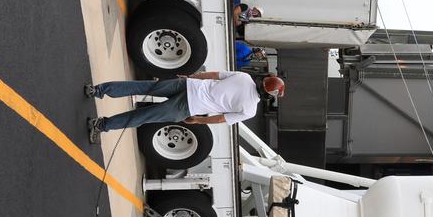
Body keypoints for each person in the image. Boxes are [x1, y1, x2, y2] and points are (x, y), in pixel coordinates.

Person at [85, 72, 285, 142]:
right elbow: (220, 119)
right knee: (143, 116)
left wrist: (190, 77)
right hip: (188, 106)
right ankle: (101, 125)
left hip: (187, 85)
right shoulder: (250, 110)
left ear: (264, 81)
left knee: (142, 86)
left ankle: (97, 90)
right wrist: (198, 120)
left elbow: (213, 74)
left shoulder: (244, 77)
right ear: (269, 96)